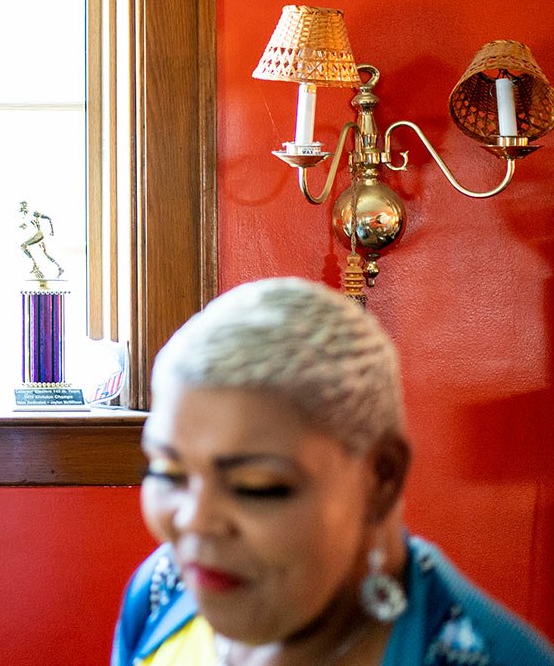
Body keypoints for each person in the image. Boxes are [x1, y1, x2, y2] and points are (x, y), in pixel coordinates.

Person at [111, 277, 554, 666]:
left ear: (381, 478)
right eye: (169, 472)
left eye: (256, 487)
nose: (193, 519)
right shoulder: (162, 592)